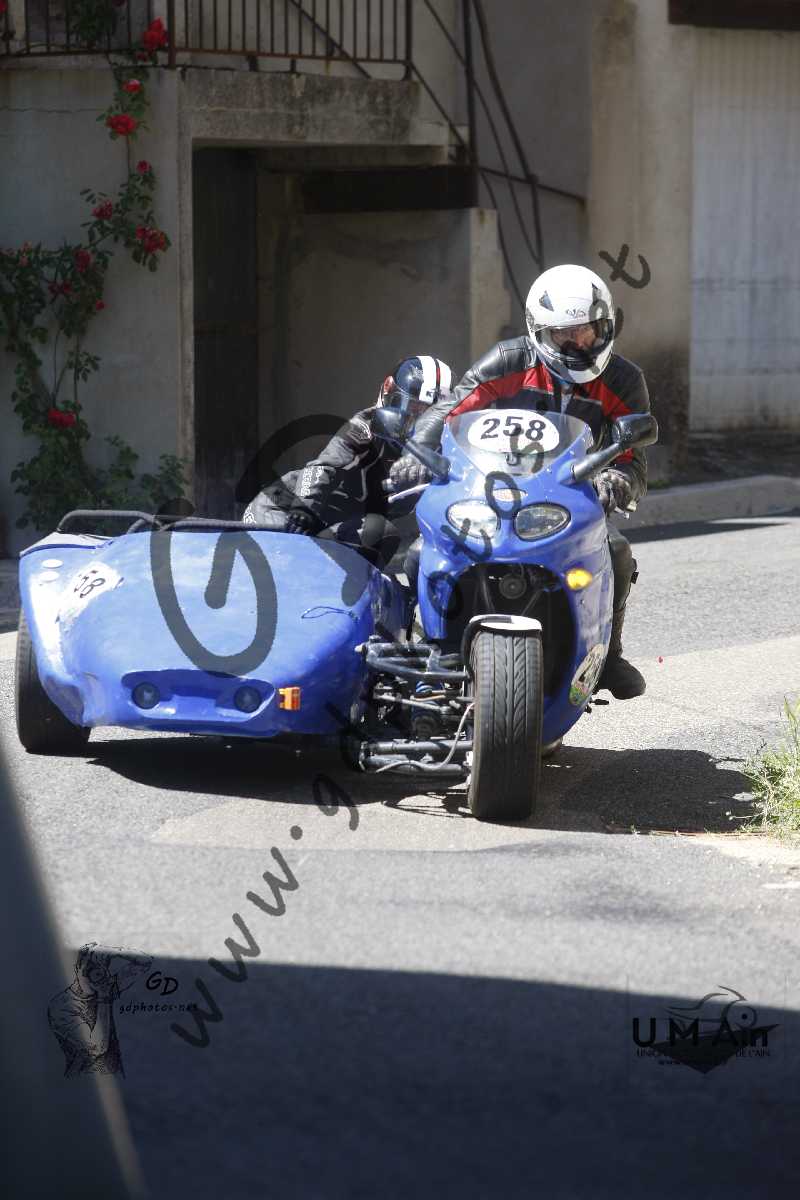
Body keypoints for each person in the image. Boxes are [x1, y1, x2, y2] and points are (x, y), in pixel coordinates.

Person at [389, 264, 650, 699]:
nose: (578, 343)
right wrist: (415, 453)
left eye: (588, 331)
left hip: (570, 499)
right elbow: (451, 409)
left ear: (605, 327)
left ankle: (607, 656)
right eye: (564, 334)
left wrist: (617, 479)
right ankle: (433, 651)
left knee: (617, 551)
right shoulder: (507, 361)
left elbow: (634, 458)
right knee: (420, 553)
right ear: (539, 331)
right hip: (491, 491)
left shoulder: (624, 380)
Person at [244, 356, 453, 571]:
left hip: (329, 525)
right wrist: (303, 509)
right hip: (282, 509)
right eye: (414, 409)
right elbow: (323, 467)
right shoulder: (363, 427)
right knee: (283, 572)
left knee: (380, 533)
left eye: (430, 416)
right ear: (388, 393)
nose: (419, 422)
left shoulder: (440, 453)